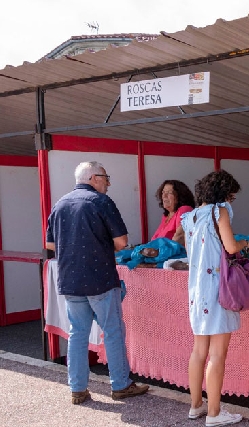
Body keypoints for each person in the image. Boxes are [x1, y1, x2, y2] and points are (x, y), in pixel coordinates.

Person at [45, 161, 149, 404]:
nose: (108, 183)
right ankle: (121, 385)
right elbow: (122, 242)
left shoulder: (60, 204)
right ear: (93, 178)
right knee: (112, 331)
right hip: (100, 277)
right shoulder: (101, 202)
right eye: (105, 178)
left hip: (70, 279)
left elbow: (50, 245)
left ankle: (78, 389)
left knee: (77, 333)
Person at [181, 169, 249, 426]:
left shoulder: (188, 218)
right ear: (224, 194)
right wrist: (245, 243)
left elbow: (191, 253)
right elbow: (231, 247)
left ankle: (196, 406)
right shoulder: (219, 212)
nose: (231, 202)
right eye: (231, 197)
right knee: (218, 354)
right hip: (218, 291)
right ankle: (214, 413)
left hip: (196, 291)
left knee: (198, 351)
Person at [151, 179, 195, 245]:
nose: (164, 196)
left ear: (180, 196)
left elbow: (179, 238)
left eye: (169, 193)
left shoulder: (184, 210)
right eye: (163, 192)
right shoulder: (166, 216)